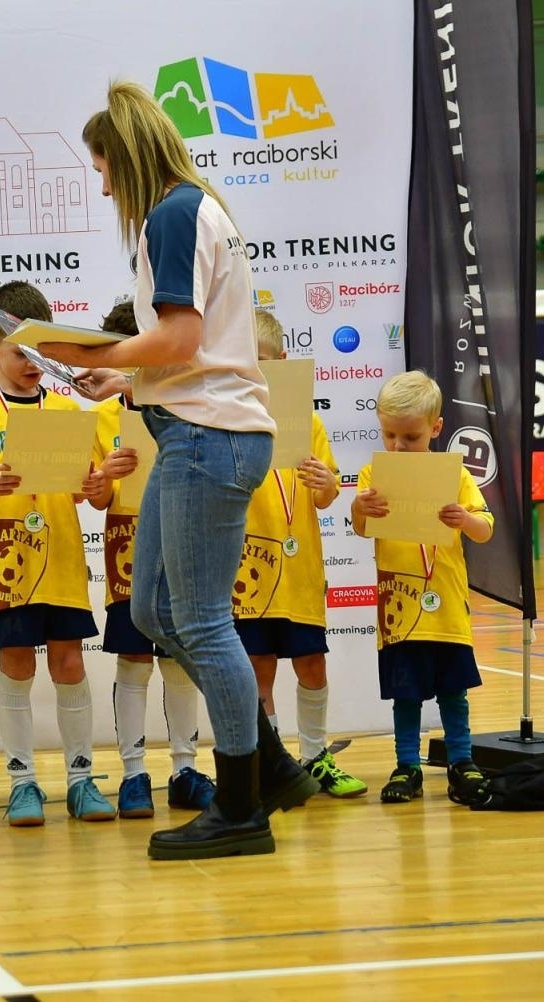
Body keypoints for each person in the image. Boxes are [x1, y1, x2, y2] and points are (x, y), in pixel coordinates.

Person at [40, 82, 318, 861]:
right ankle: (270, 766)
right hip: (195, 431)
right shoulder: (191, 210)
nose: (103, 188)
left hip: (207, 437)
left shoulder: (172, 214)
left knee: (197, 620)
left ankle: (243, 805)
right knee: (156, 610)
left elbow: (179, 341)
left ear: (126, 159)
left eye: (103, 170)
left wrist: (89, 349)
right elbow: (189, 354)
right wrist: (123, 379)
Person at [0, 281, 115, 827]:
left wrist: (96, 486)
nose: (31, 364)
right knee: (17, 662)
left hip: (63, 561)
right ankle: (22, 782)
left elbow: (92, 493)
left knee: (69, 663)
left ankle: (81, 779)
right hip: (10, 567)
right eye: (20, 352)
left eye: (41, 353)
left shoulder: (66, 408)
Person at [84, 301, 216, 820]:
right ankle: (133, 773)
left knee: (179, 656)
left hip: (181, 539)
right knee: (134, 659)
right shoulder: (100, 417)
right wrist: (105, 474)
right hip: (128, 549)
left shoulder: (183, 406)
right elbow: (96, 497)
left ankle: (185, 768)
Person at [234, 310, 366, 799]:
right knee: (258, 669)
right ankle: (270, 765)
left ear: (284, 362)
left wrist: (328, 482)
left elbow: (327, 496)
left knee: (312, 665)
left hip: (300, 572)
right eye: (244, 362)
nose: (254, 372)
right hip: (250, 574)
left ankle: (315, 757)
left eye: (263, 361)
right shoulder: (230, 423)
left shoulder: (309, 423)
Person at [350, 371, 495, 805]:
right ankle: (407, 765)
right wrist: (359, 506)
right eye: (389, 435)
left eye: (410, 437)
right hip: (400, 609)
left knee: (454, 691)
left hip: (446, 607)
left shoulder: (456, 475)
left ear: (436, 428)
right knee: (406, 693)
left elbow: (485, 528)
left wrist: (465, 519)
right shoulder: (374, 474)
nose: (397, 446)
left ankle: (461, 761)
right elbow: (361, 528)